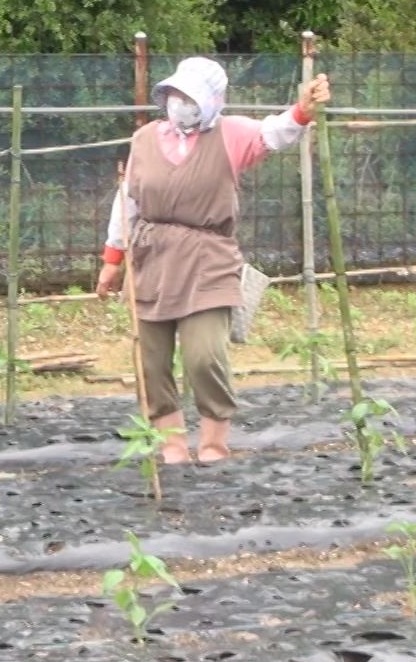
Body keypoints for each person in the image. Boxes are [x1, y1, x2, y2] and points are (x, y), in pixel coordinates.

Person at [96, 57, 331, 464]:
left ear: (213, 100)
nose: (181, 103)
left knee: (204, 356)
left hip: (208, 258)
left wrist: (303, 111)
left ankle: (213, 445)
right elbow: (128, 201)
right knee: (150, 361)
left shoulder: (231, 135)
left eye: (191, 96)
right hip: (151, 257)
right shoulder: (146, 138)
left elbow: (276, 132)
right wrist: (112, 259)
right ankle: (171, 447)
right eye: (176, 94)